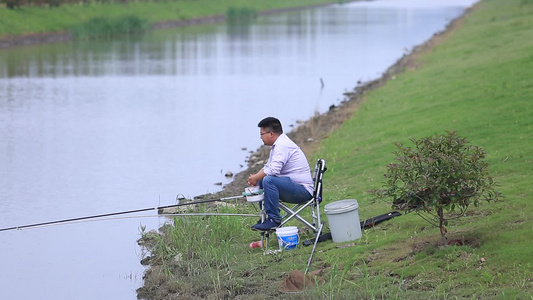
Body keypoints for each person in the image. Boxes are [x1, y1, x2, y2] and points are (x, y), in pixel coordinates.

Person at [247, 117, 314, 231]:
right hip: (293, 187)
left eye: (261, 134)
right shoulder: (278, 145)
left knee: (268, 179)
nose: (260, 138)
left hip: (303, 191)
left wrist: (257, 177)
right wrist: (255, 178)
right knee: (263, 179)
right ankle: (267, 218)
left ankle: (274, 220)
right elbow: (268, 167)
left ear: (271, 134)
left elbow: (273, 170)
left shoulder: (282, 145)